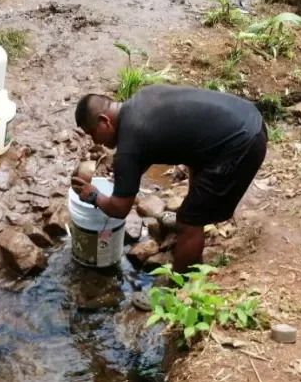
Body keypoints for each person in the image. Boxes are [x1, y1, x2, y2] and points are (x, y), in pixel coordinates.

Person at [71, 84, 267, 276]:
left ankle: (178, 289)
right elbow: (148, 150)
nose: (95, 142)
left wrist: (93, 196)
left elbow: (120, 210)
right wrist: (124, 179)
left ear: (105, 121)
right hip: (247, 116)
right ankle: (194, 231)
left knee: (189, 222)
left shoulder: (130, 145)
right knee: (196, 161)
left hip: (242, 143)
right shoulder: (143, 98)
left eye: (92, 133)